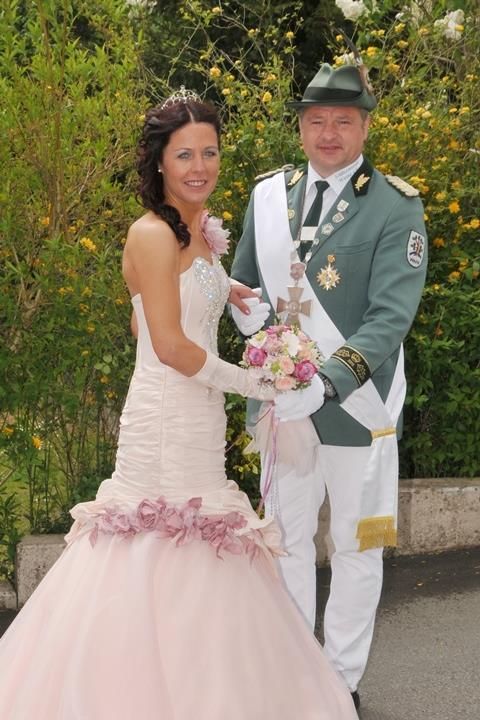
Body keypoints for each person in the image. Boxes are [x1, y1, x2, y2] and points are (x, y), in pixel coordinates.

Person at [0, 88, 358, 719]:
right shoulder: (150, 233)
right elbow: (165, 346)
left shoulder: (198, 233)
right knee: (156, 545)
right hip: (164, 420)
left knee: (203, 547)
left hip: (198, 419)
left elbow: (155, 311)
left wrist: (223, 286)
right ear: (160, 161)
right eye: (184, 154)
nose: (199, 167)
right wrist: (257, 384)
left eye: (209, 152)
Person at [230, 63, 428, 709]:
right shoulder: (268, 196)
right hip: (281, 409)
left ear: (365, 126)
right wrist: (254, 331)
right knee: (284, 544)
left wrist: (327, 381)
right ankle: (294, 678)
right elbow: (244, 285)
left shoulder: (395, 205)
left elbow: (389, 318)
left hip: (354, 408)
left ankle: (340, 684)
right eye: (316, 120)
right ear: (300, 127)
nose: (328, 133)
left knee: (354, 547)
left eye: (343, 120)